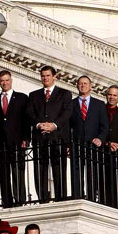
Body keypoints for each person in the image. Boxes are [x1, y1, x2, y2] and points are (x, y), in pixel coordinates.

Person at [0, 70, 30, 207]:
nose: (4, 83)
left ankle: (20, 200)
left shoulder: (22, 98)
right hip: (0, 144)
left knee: (18, 173)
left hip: (17, 143)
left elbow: (26, 121)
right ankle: (7, 201)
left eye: (7, 80)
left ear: (11, 80)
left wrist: (26, 138)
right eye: (2, 80)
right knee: (3, 174)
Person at [27, 65, 72, 201]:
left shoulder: (65, 94)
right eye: (43, 76)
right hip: (40, 138)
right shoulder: (34, 95)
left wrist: (54, 125)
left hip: (57, 138)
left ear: (54, 77)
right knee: (40, 170)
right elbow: (29, 113)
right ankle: (42, 198)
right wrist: (39, 124)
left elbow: (67, 112)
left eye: (47, 75)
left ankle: (60, 198)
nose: (45, 78)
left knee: (58, 171)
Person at [70, 75, 110, 201]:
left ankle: (92, 197)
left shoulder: (99, 104)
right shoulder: (71, 104)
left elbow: (105, 126)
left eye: (85, 83)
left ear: (90, 86)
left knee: (92, 173)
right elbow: (68, 125)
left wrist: (100, 138)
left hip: (93, 145)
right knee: (76, 172)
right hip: (77, 144)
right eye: (80, 84)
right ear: (77, 86)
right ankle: (77, 196)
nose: (82, 86)